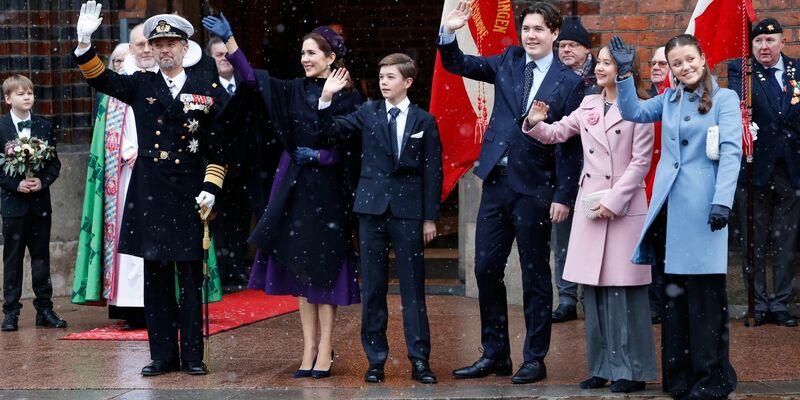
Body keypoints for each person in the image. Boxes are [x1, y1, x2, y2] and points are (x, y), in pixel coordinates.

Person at [202, 15, 361, 379]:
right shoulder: (291, 89)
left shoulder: (349, 96)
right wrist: (231, 42)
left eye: (312, 53)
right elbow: (253, 80)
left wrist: (323, 142)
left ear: (330, 58)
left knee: (323, 272)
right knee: (302, 273)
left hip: (328, 191)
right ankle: (307, 348)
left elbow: (353, 146)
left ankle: (325, 348)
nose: (305, 59)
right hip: (293, 187)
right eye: (303, 53)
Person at [74, 3, 228, 376]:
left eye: (171, 43)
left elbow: (219, 143)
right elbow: (100, 79)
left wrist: (211, 185)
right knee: (156, 279)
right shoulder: (141, 84)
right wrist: (83, 43)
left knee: (191, 278)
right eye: (157, 44)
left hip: (191, 192)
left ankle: (192, 355)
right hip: (153, 193)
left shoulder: (205, 85)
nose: (163, 50)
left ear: (184, 47)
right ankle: (161, 354)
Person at [439, 0, 584, 384]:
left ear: (555, 34)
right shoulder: (509, 60)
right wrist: (450, 32)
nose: (531, 35)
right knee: (486, 268)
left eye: (539, 29)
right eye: (527, 29)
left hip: (537, 188)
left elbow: (571, 148)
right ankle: (495, 354)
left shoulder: (569, 83)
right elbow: (458, 65)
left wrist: (563, 196)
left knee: (536, 275)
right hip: (496, 183)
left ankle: (534, 357)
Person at [611, 34, 740, 399]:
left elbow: (730, 152)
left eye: (689, 60)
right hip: (668, 208)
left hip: (704, 208)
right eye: (676, 63)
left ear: (702, 57)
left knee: (705, 297)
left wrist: (723, 201)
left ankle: (713, 377)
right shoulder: (668, 98)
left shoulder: (725, 98)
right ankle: (680, 377)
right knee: (675, 296)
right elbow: (632, 112)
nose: (684, 68)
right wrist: (624, 73)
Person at [523, 45, 657, 393]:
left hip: (624, 206)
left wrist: (615, 199)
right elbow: (558, 134)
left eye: (607, 63)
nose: (599, 68)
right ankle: (601, 366)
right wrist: (536, 124)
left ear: (624, 68)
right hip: (590, 206)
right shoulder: (588, 104)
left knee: (624, 292)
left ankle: (631, 370)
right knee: (594, 291)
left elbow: (640, 162)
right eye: (598, 61)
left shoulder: (639, 108)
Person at [318, 54, 443, 384]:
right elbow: (331, 131)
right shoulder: (368, 112)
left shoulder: (424, 120)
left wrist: (430, 218)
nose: (384, 82)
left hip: (408, 211)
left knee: (413, 288)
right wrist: (327, 98)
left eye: (390, 77)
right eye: (381, 76)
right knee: (373, 286)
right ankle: (375, 358)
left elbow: (433, 171)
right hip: (372, 209)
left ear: (408, 82)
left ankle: (419, 359)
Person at [728, 18, 800, 327]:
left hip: (792, 168)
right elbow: (735, 106)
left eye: (771, 41)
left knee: (787, 240)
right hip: (755, 167)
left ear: (783, 43)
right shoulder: (741, 72)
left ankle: (781, 303)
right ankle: (756, 302)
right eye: (758, 42)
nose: (764, 46)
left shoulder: (798, 70)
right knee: (753, 240)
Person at [0, 74, 65, 332]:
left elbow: (54, 163)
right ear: (7, 99)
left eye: (30, 92)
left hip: (39, 204)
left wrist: (42, 180)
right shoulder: (1, 127)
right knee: (12, 258)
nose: (27, 97)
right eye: (20, 93)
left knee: (41, 257)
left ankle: (44, 309)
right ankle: (11, 312)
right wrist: (15, 184)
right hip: (13, 205)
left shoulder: (44, 125)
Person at [551, 16, 595, 323]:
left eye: (572, 45)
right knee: (562, 236)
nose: (566, 50)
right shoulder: (551, 76)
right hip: (560, 164)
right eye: (562, 45)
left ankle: (593, 294)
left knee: (594, 233)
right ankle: (566, 297)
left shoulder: (600, 74)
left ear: (587, 50)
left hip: (596, 166)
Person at [205, 36, 252, 290]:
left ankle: (237, 268)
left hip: (244, 165)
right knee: (217, 220)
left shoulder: (246, 85)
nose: (224, 58)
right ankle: (220, 272)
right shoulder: (207, 87)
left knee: (240, 219)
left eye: (227, 54)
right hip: (216, 164)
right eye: (218, 55)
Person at [645, 45, 669, 325]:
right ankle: (653, 302)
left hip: (666, 185)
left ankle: (666, 301)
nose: (655, 67)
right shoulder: (643, 100)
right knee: (650, 248)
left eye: (662, 63)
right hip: (644, 184)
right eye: (652, 62)